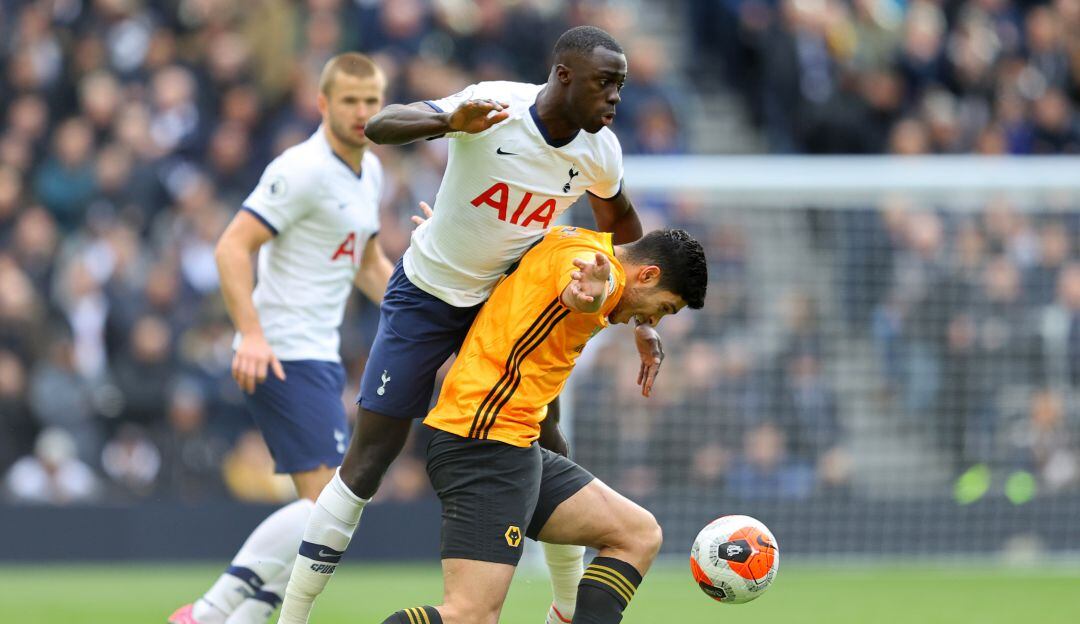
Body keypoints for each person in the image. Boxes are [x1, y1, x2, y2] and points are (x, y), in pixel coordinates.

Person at [279, 26, 664, 624]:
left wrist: (641, 317)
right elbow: (380, 126)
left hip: (505, 306)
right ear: (563, 75)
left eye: (620, 86)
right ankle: (293, 616)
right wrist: (450, 122)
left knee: (546, 442)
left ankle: (564, 608)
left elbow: (625, 232)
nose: (615, 98)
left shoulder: (599, 151)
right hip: (428, 295)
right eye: (604, 83)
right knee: (368, 459)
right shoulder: (497, 106)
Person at [382, 225, 708, 624]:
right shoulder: (598, 276)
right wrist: (589, 298)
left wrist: (452, 235)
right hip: (483, 442)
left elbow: (525, 255)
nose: (655, 319)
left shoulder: (573, 237)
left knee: (637, 535)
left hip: (509, 443)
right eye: (664, 308)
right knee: (469, 616)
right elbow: (584, 294)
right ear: (649, 275)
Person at [167, 53, 393, 624]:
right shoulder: (301, 169)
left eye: (371, 101)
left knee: (326, 514)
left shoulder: (370, 171)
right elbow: (231, 246)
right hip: (284, 350)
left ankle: (237, 618)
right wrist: (250, 334)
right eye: (349, 101)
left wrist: (424, 311)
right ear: (322, 103)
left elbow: (367, 264)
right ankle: (208, 612)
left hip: (317, 355)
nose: (362, 112)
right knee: (327, 510)